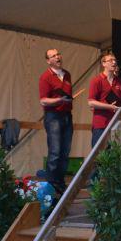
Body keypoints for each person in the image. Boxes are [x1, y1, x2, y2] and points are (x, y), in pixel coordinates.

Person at [38, 48, 73, 193]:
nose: (57, 57)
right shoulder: (45, 77)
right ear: (48, 61)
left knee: (65, 152)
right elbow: (43, 100)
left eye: (58, 54)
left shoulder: (67, 74)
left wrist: (67, 100)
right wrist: (60, 100)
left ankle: (60, 183)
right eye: (53, 56)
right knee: (55, 151)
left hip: (67, 115)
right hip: (53, 116)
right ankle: (51, 186)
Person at [88, 52, 121, 148]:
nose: (114, 62)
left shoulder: (120, 82)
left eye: (115, 60)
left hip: (116, 124)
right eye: (111, 60)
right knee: (100, 154)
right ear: (103, 63)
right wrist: (109, 106)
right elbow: (91, 102)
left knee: (116, 153)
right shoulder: (96, 80)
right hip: (101, 123)